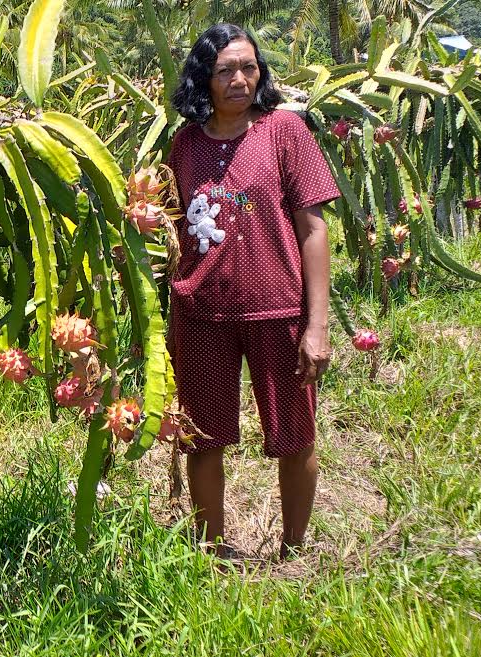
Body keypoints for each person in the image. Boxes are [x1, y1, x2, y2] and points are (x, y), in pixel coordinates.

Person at [165, 23, 339, 559]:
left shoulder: (285, 132)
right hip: (199, 313)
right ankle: (211, 550)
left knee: (294, 433)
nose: (239, 79)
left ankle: (292, 549)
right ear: (204, 79)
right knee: (203, 436)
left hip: (278, 309)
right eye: (225, 70)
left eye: (248, 67)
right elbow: (170, 224)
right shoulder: (184, 145)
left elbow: (313, 229)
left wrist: (317, 323)